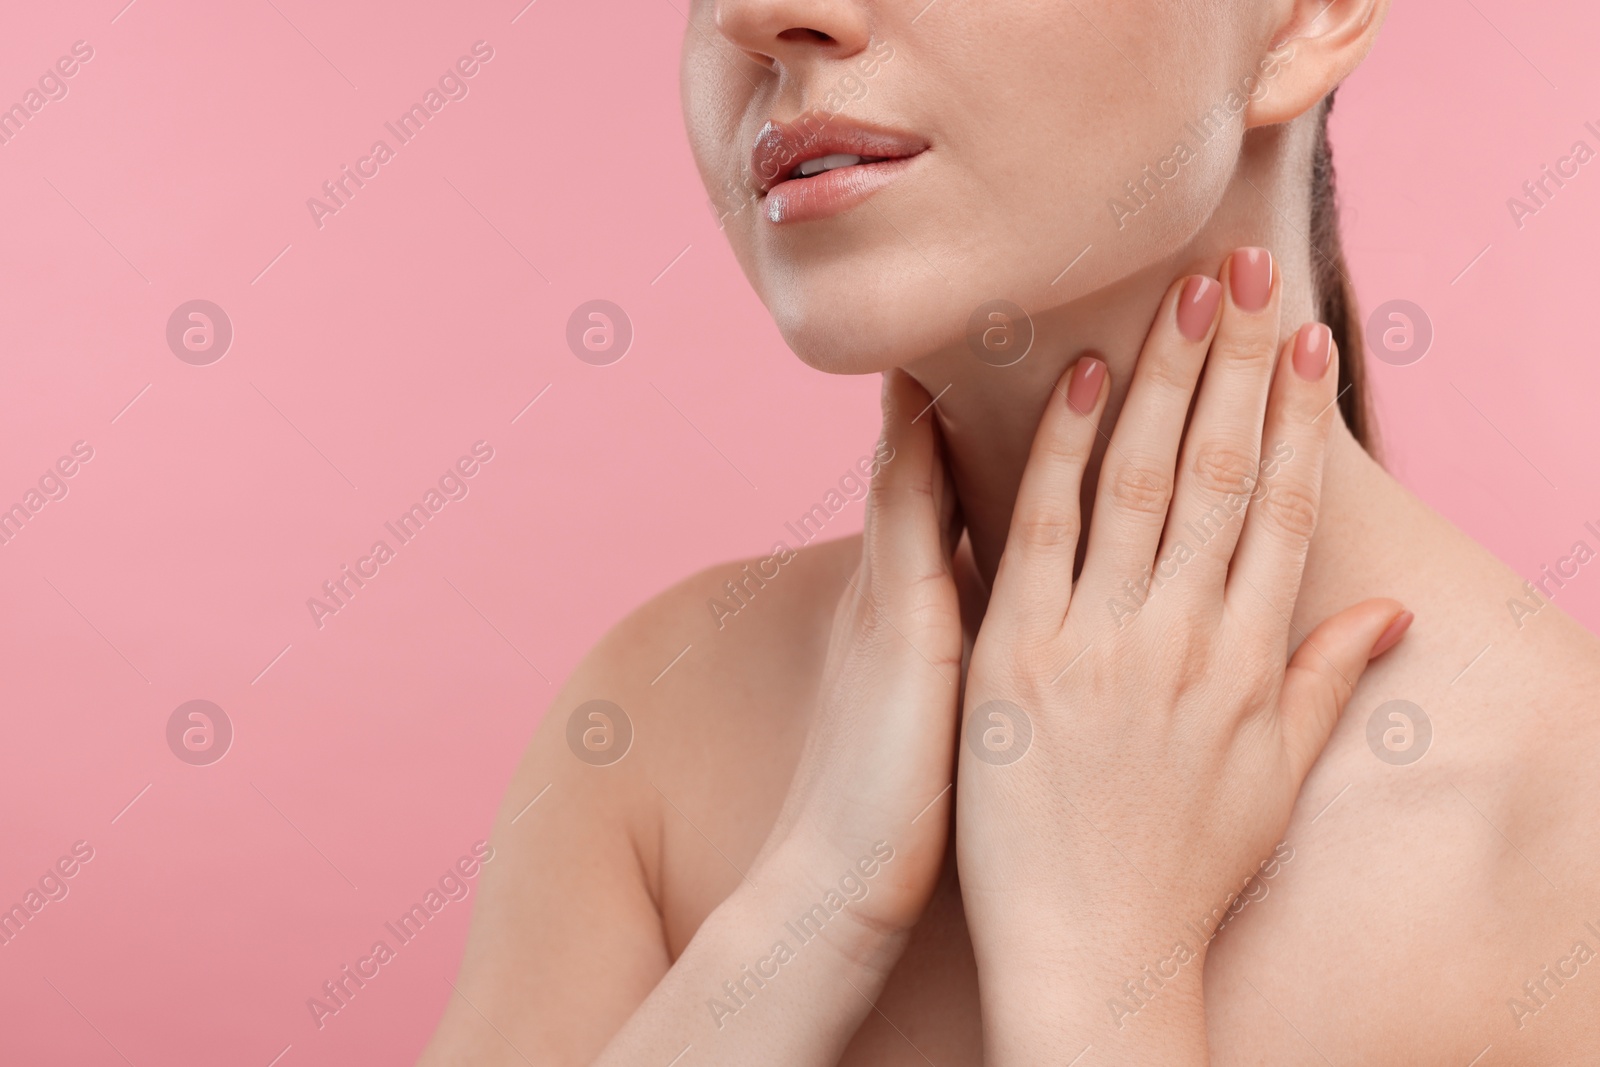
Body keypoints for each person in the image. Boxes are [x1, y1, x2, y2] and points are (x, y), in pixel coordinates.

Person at [420, 0, 1600, 1062]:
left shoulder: (1565, 844)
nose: (763, 15)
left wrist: (1094, 974)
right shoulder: (656, 735)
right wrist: (805, 911)